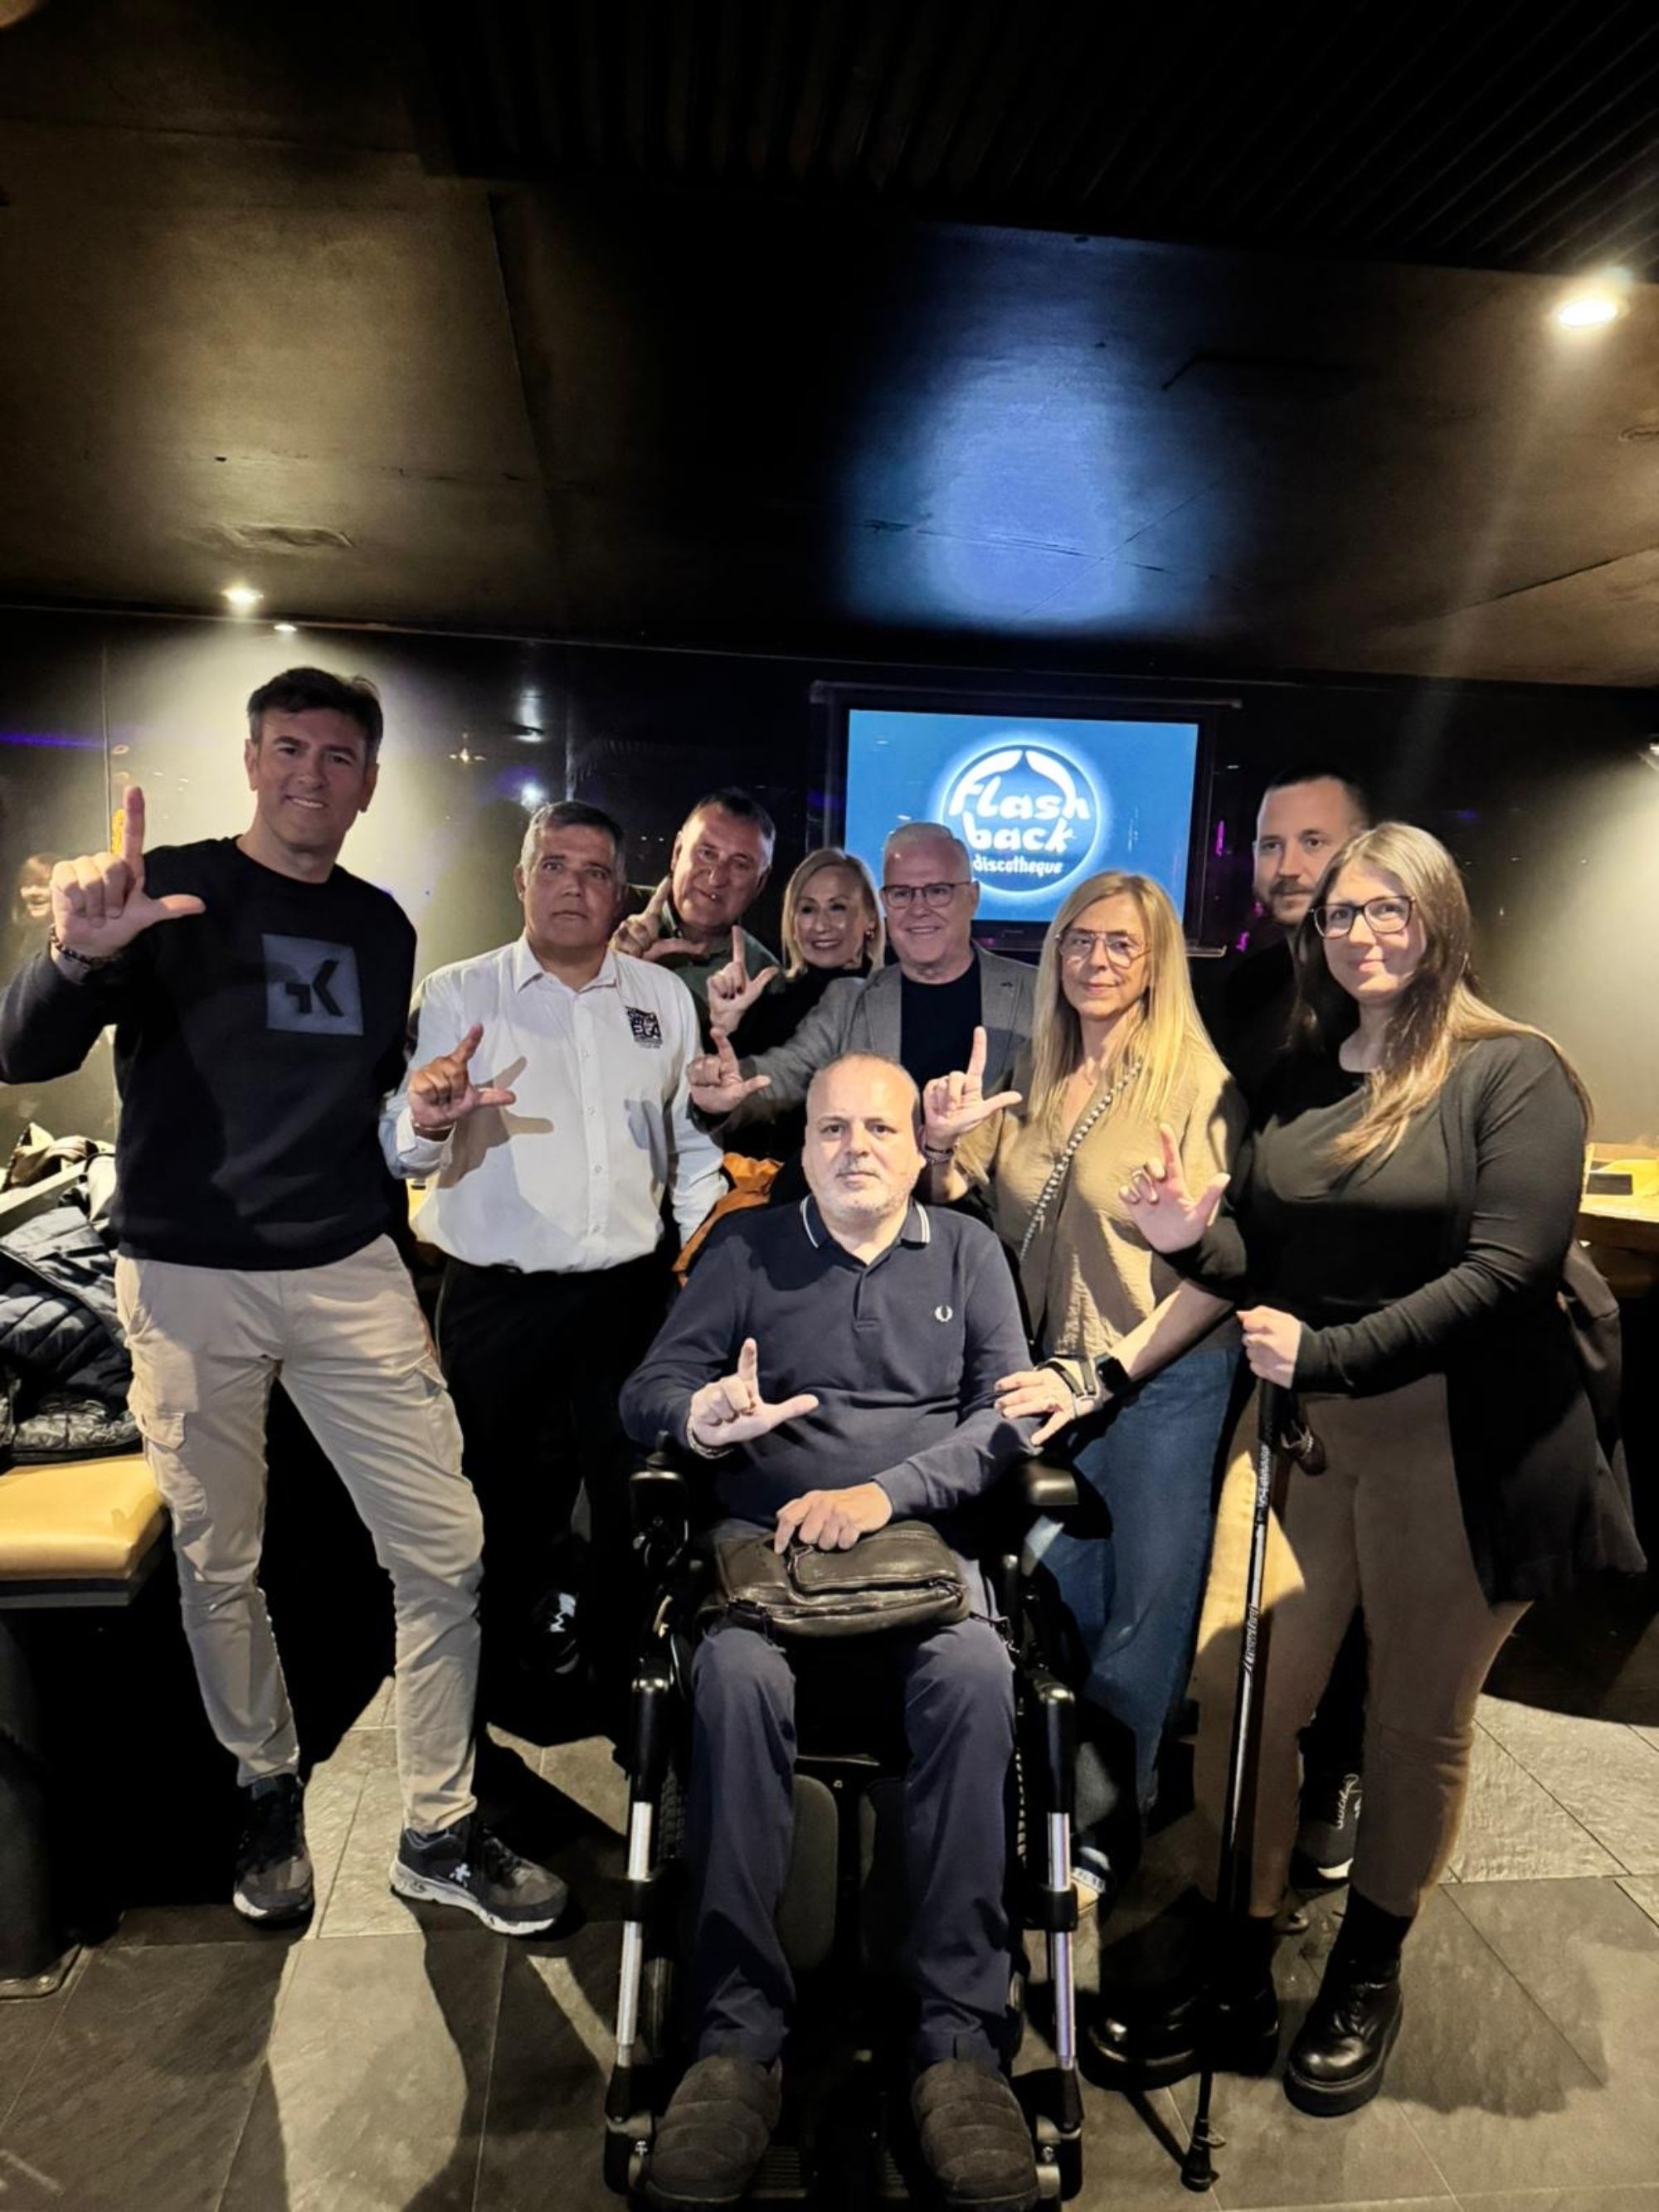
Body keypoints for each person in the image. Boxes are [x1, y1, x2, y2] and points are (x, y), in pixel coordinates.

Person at [0, 668, 566, 1937]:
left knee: (446, 1547)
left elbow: (376, 1111)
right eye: (291, 748)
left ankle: (438, 1822)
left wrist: (422, 1116)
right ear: (254, 760)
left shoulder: (378, 926)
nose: (313, 772)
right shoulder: (168, 889)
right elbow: (21, 1049)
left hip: (348, 1268)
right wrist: (77, 955)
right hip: (186, 1273)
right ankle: (264, 1782)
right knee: (221, 1558)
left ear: (368, 782)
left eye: (339, 755)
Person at [1103, 822, 1642, 2114]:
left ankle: (1368, 1961)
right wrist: (1188, 1238)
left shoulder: (1514, 1070)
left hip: (1457, 1440)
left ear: (1441, 915)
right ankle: (1240, 1940)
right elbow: (1263, 1251)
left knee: (1413, 1719)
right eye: (1342, 913)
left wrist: (1330, 1351)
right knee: (1242, 1689)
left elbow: (1508, 1267)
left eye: (1389, 908)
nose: (1361, 933)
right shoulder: (1304, 1066)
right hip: (1305, 1431)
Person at [620, 1053, 1044, 2212]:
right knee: (732, 1678)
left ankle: (956, 2042)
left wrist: (880, 1495)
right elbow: (646, 1389)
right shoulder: (747, 1250)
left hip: (918, 1555)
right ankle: (733, 2038)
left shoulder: (969, 1252)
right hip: (765, 1557)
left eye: (880, 1128)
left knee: (976, 1672)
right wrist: (700, 1415)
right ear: (801, 1147)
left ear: (918, 1146)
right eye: (831, 1129)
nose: (856, 1146)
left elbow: (1003, 1422)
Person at [920, 873, 1243, 1907]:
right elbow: (961, 1190)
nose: (1094, 962)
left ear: (1155, 964)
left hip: (1158, 1381)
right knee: (1063, 1593)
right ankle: (1056, 1794)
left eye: (1119, 945)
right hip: (1056, 1383)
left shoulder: (1193, 1085)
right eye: (1077, 941)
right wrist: (939, 1144)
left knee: (1144, 1612)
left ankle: (1104, 1825)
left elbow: (1221, 1276)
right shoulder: (1039, 1064)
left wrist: (1111, 1372)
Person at [382, 799, 725, 1743]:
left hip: (627, 1298)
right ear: (521, 879)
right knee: (496, 1506)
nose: (574, 886)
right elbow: (402, 1148)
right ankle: (499, 1706)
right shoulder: (459, 993)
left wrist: (705, 1270)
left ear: (621, 892)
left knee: (627, 1506)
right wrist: (430, 1119)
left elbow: (693, 1150)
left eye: (595, 871)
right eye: (554, 867)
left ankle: (623, 1703)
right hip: (495, 1301)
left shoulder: (663, 1001)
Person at [1219, 764, 1374, 1886]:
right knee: (1273, 1569)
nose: (1286, 865)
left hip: (1364, 1336)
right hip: (1251, 1317)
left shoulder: (1398, 994)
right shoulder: (1242, 986)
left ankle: (1337, 1772)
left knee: (1361, 1580)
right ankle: (1254, 1775)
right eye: (1271, 844)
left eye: (1311, 842)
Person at [686, 821, 1035, 1131]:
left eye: (937, 891)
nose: (918, 908)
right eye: (901, 894)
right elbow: (786, 1071)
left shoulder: (1037, 992)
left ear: (972, 897)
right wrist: (727, 1088)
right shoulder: (849, 1000)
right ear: (885, 903)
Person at [706, 846, 883, 1188]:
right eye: (807, 909)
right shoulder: (764, 996)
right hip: (745, 1188)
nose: (821, 925)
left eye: (837, 907)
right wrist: (724, 1027)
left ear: (871, 919)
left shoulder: (878, 1000)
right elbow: (721, 1097)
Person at [611, 787, 780, 1014]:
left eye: (740, 865)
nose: (716, 878)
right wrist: (611, 970)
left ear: (760, 882)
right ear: (677, 852)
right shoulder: (607, 911)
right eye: (707, 854)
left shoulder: (765, 980)